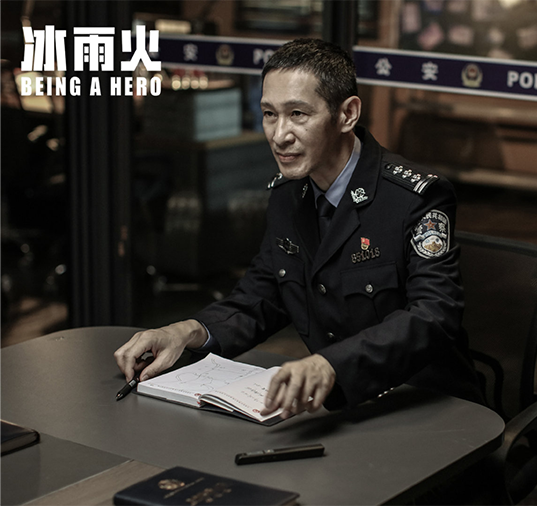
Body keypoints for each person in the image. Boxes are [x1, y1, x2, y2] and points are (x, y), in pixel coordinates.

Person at [114, 38, 484, 418]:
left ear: (347, 114)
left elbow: (434, 314)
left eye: (297, 114)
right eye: (269, 114)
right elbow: (262, 295)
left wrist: (331, 365)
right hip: (344, 410)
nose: (279, 135)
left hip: (429, 408)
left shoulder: (413, 197)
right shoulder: (288, 195)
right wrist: (187, 331)